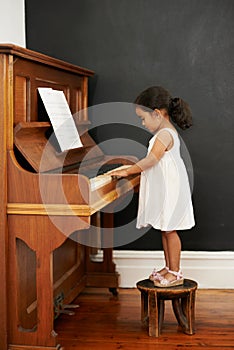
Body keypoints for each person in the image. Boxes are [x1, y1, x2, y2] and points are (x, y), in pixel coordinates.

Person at [110, 86, 195, 287]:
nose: (142, 122)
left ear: (156, 113)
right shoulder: (166, 132)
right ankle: (169, 267)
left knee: (170, 230)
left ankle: (175, 272)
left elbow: (151, 160)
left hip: (170, 190)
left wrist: (128, 171)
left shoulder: (164, 134)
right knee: (166, 229)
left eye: (143, 118)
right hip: (167, 188)